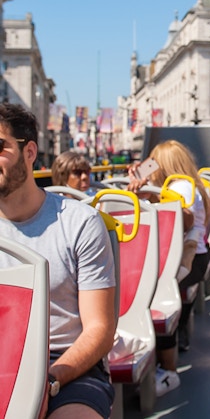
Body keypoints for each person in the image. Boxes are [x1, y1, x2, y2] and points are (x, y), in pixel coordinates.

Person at [0, 103, 116, 419]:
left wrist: (49, 379)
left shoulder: (79, 222)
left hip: (67, 363)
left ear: (30, 151)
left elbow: (99, 329)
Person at [128, 139, 210, 396]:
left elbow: (182, 219)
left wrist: (149, 194)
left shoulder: (181, 187)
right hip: (182, 260)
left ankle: (168, 371)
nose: (150, 167)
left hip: (187, 262)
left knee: (154, 300)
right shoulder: (177, 186)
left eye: (154, 162)